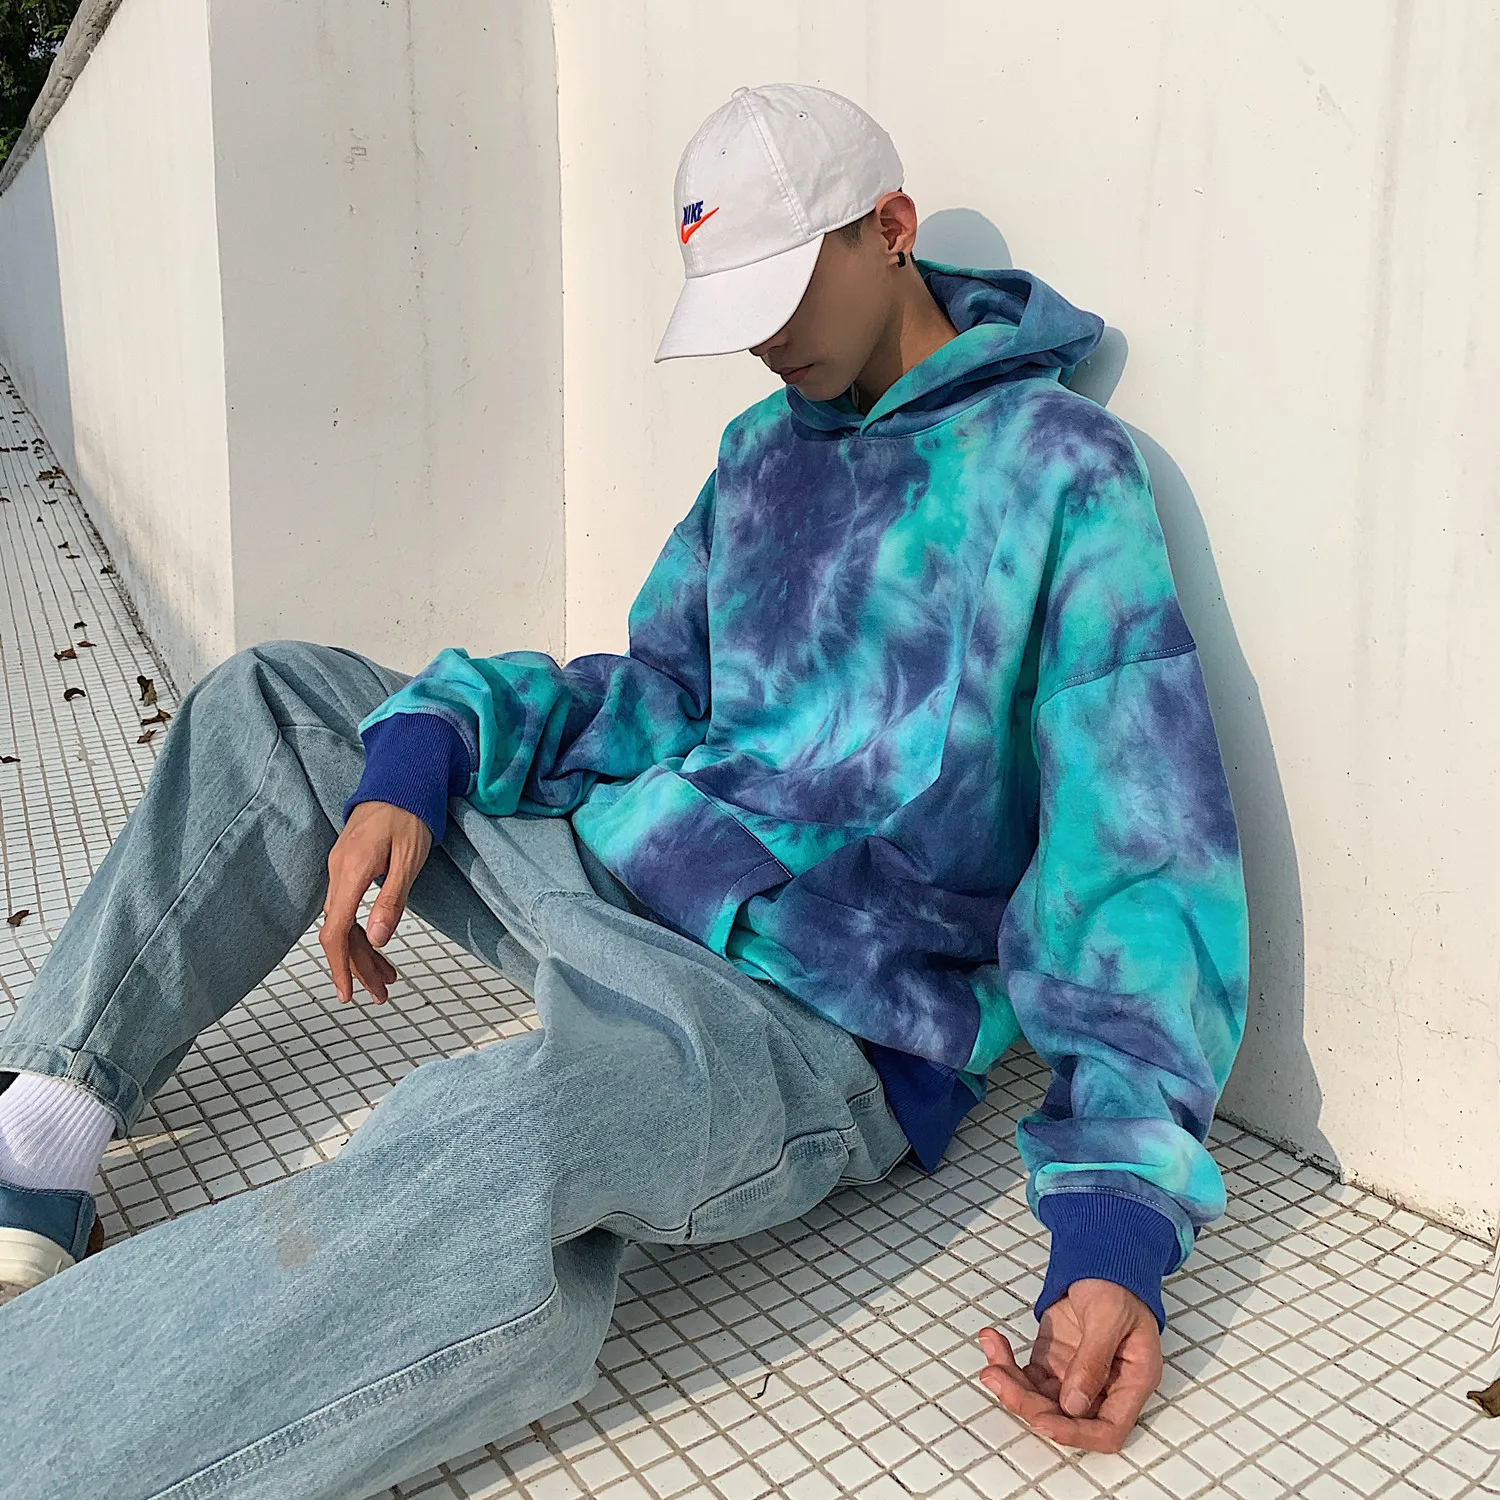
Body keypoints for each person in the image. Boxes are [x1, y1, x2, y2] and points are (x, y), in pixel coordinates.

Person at [0, 82, 1248, 1493]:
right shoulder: (762, 454)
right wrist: (427, 751)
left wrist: (1115, 1232)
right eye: (739, 308)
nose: (768, 338)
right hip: (626, 866)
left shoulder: (1063, 478)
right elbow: (652, 691)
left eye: (787, 290)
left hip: (809, 1019)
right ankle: (39, 1134)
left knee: (489, 1149)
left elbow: (1137, 869)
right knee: (280, 698)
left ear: (891, 229)